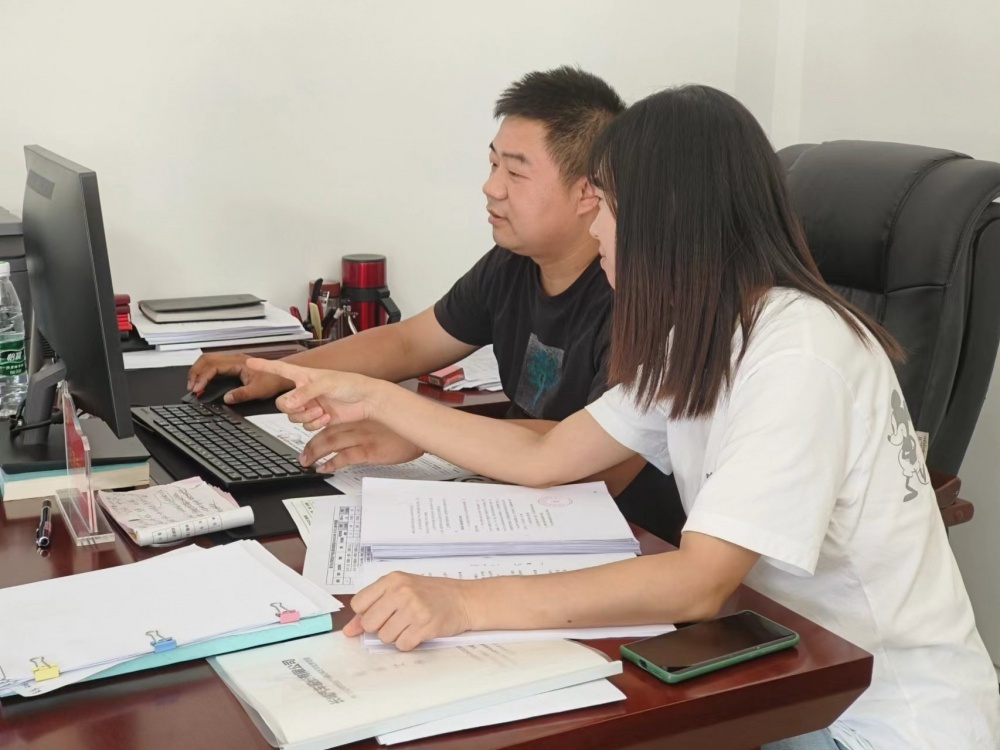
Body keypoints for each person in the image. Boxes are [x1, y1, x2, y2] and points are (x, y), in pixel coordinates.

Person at [247, 85, 1000, 749]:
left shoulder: (799, 355)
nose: (596, 227)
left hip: (869, 717)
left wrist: (463, 602)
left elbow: (700, 582)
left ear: (664, 216)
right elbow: (548, 456)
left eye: (604, 204)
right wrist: (379, 397)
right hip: (773, 666)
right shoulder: (702, 333)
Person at [186, 65, 685, 542]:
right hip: (513, 500)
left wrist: (420, 430)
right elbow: (408, 342)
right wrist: (285, 373)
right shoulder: (512, 264)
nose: (490, 187)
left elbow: (593, 464)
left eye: (515, 173)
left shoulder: (637, 299)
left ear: (587, 192)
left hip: (620, 533)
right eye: (493, 164)